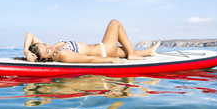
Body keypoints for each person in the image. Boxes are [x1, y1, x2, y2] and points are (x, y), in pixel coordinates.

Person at [24, 19, 160, 63]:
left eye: (45, 44)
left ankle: (148, 51)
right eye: (47, 51)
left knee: (123, 50)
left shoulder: (52, 48)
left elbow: (30, 34)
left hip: (103, 48)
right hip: (105, 51)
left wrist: (26, 50)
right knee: (114, 23)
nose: (49, 47)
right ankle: (132, 54)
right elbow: (87, 59)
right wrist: (111, 60)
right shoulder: (62, 54)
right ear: (44, 59)